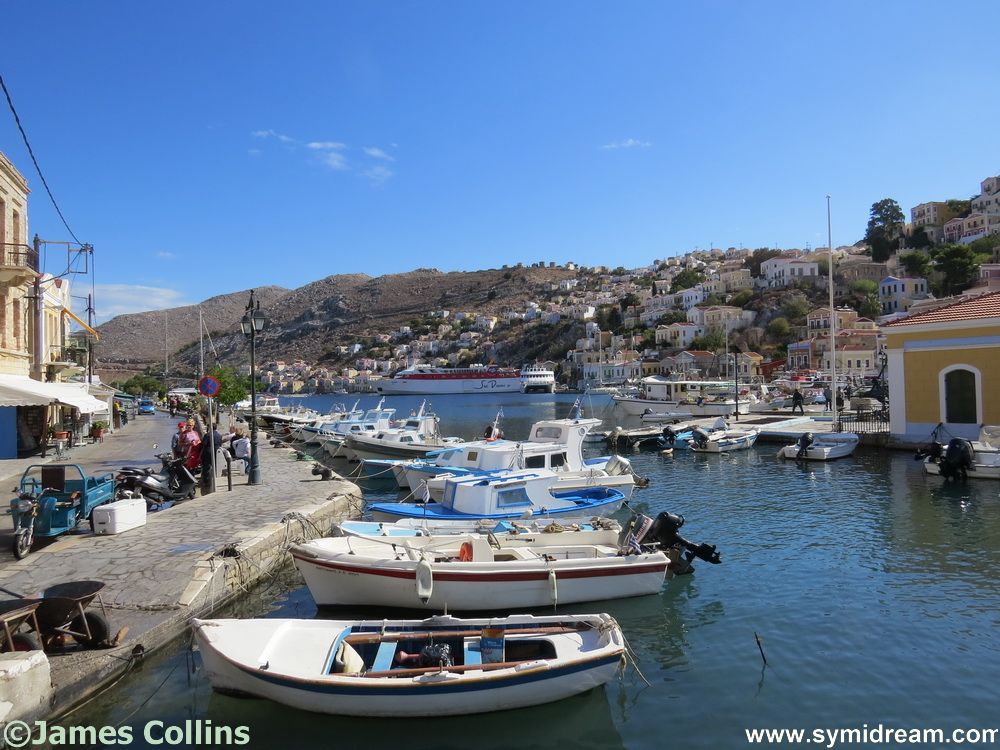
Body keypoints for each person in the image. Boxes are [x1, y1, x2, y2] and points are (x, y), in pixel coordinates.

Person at [200, 422, 223, 494]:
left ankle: (206, 481)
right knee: (215, 465)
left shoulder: (207, 435)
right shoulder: (219, 435)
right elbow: (220, 444)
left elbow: (203, 444)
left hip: (208, 452)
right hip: (216, 451)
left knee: (206, 467)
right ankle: (215, 477)